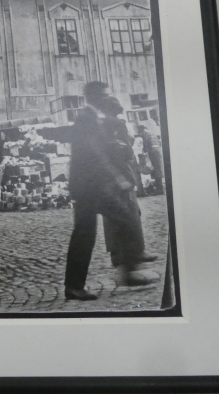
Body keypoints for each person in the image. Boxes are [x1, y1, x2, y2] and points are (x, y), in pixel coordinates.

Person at [63, 82, 155, 301]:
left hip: (92, 186)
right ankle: (122, 275)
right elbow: (96, 153)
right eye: (104, 95)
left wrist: (114, 148)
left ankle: (79, 284)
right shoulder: (86, 118)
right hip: (90, 186)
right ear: (94, 96)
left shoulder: (92, 117)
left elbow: (101, 148)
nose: (107, 98)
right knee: (99, 229)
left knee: (115, 223)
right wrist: (118, 178)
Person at [97, 97, 158, 273]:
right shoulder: (118, 124)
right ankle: (136, 251)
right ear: (116, 109)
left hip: (107, 176)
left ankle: (116, 254)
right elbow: (128, 152)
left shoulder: (99, 125)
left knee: (112, 215)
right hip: (122, 172)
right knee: (131, 211)